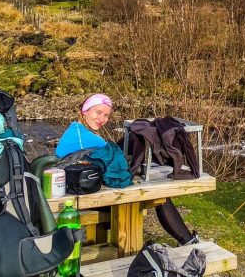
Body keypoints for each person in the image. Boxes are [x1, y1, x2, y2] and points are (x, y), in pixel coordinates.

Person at [55, 93, 199, 246]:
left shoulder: (77, 129)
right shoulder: (83, 136)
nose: (102, 119)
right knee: (158, 196)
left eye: (106, 115)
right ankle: (187, 241)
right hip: (86, 200)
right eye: (98, 112)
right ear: (85, 111)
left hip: (85, 191)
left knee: (156, 195)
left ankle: (188, 240)